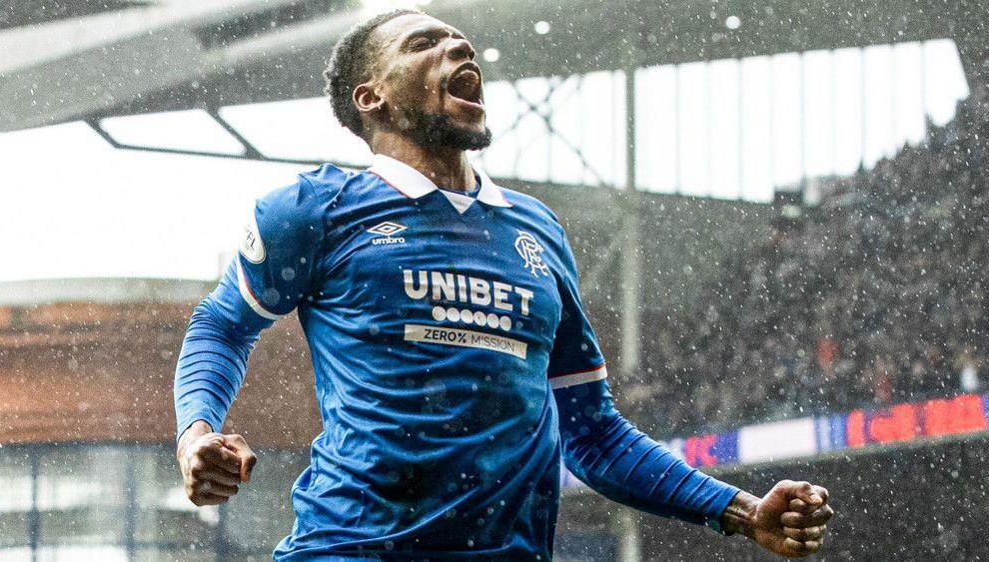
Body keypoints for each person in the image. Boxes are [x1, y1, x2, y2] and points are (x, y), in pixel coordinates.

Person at [174, 9, 833, 561]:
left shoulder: (536, 230)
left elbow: (593, 432)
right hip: (349, 549)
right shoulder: (316, 207)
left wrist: (742, 511)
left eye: (458, 39)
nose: (458, 45)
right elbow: (223, 324)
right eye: (423, 43)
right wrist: (196, 435)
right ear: (370, 97)